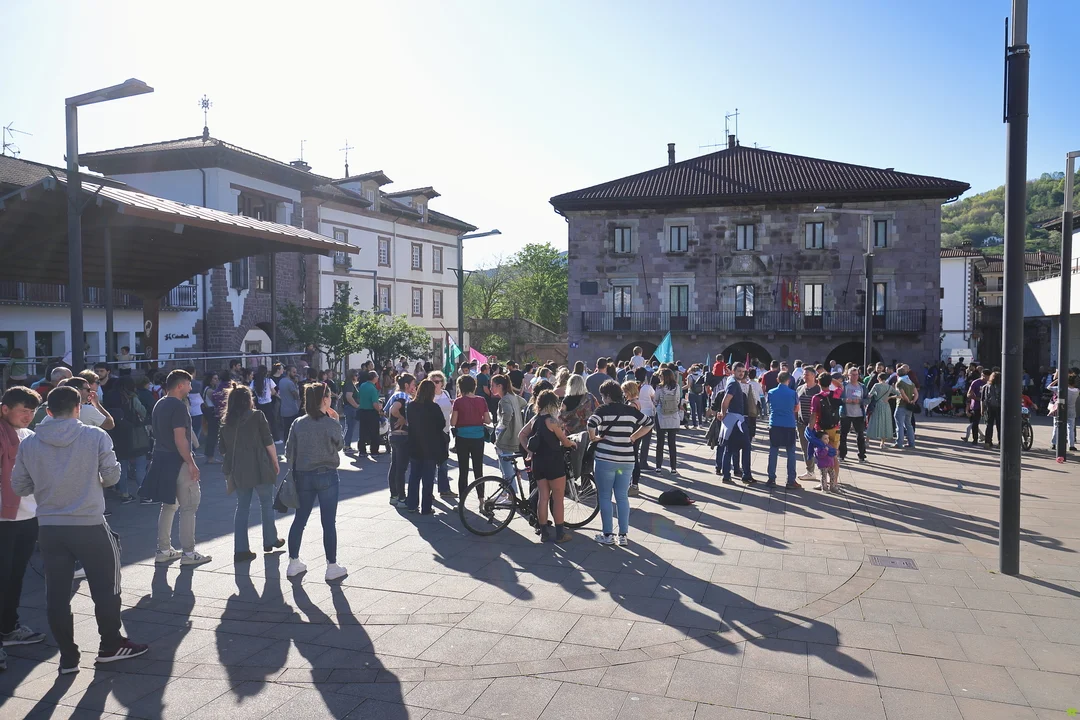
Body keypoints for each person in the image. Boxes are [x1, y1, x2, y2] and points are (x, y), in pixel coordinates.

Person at [11, 386, 148, 673]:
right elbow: (112, 477)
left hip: (49, 527)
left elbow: (20, 486)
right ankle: (110, 644)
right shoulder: (95, 436)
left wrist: (47, 484)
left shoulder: (30, 443)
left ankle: (68, 657)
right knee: (106, 587)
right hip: (89, 523)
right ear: (77, 408)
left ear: (48, 411)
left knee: (56, 594)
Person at [141, 370, 211, 567]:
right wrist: (191, 463)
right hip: (178, 461)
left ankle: (163, 550)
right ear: (180, 385)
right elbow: (180, 438)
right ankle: (189, 553)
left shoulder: (160, 403)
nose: (191, 387)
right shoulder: (178, 406)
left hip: (161, 459)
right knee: (189, 506)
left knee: (169, 505)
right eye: (188, 384)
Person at [0, 386, 46, 670]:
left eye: (32, 411)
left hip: (28, 515)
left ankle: (8, 627)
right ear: (5, 409)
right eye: (23, 411)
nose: (28, 416)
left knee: (15, 576)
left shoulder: (29, 436)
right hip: (3, 519)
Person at [285, 382, 345, 581]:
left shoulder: (298, 423)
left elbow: (289, 450)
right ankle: (332, 565)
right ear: (324, 400)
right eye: (329, 396)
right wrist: (336, 421)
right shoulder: (330, 423)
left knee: (299, 520)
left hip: (303, 475)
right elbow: (340, 445)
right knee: (328, 522)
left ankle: (293, 562)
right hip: (327, 474)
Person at [219, 384, 283, 563]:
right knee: (266, 503)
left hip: (239, 469)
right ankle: (270, 540)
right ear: (248, 400)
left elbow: (222, 449)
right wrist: (275, 462)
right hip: (260, 466)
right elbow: (268, 441)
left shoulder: (226, 422)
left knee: (242, 507)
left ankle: (240, 550)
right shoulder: (257, 416)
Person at [589, 380, 652, 546]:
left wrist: (593, 438)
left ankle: (608, 534)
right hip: (626, 460)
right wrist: (634, 437)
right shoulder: (630, 410)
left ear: (608, 396)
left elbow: (591, 423)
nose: (602, 399)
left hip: (605, 459)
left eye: (603, 396)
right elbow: (649, 423)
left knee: (605, 496)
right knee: (622, 496)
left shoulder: (602, 410)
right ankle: (623, 535)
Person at [524, 390, 576, 543]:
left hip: (538, 462)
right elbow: (564, 440)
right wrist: (572, 444)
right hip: (553, 462)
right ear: (551, 404)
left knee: (543, 498)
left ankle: (544, 533)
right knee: (558, 499)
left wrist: (529, 451)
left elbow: (521, 434)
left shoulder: (534, 419)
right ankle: (560, 534)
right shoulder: (552, 421)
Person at [103, 376, 152, 503]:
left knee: (122, 466)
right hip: (134, 433)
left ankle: (124, 493)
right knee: (140, 465)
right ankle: (144, 494)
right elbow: (142, 412)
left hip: (116, 434)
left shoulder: (108, 397)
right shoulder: (132, 397)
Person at [405, 379, 448, 515]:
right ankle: (426, 507)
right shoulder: (434, 407)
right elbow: (442, 424)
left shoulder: (411, 405)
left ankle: (412, 505)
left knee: (414, 476)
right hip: (431, 446)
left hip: (415, 444)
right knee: (428, 479)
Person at [451, 375, 490, 499]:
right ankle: (481, 500)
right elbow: (488, 420)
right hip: (478, 437)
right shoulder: (481, 400)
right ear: (474, 386)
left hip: (462, 438)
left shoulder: (458, 401)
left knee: (463, 470)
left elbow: (453, 422)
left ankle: (462, 500)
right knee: (478, 470)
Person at [718, 363, 754, 485]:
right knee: (746, 447)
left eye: (743, 371)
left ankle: (726, 475)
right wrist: (723, 413)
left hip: (732, 419)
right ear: (733, 371)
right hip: (736, 420)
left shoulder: (731, 381)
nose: (741, 373)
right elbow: (726, 400)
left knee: (729, 448)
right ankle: (746, 475)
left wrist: (724, 414)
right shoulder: (733, 383)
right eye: (739, 371)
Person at [766, 371, 802, 489]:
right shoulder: (793, 393)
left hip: (775, 423)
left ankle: (771, 478)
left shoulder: (771, 392)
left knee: (773, 451)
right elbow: (796, 409)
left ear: (777, 379)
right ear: (789, 380)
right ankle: (791, 480)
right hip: (789, 424)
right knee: (791, 452)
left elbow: (769, 405)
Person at [385, 373, 416, 508]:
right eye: (413, 385)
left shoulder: (396, 395)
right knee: (400, 469)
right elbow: (394, 409)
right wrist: (402, 418)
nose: (415, 387)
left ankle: (394, 495)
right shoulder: (402, 396)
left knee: (395, 466)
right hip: (402, 436)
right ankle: (402, 498)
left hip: (394, 435)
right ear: (406, 385)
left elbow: (387, 410)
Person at [810, 373, 843, 492]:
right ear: (830, 382)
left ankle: (823, 482)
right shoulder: (836, 394)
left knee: (822, 455)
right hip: (835, 429)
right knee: (833, 455)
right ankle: (834, 482)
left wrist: (810, 429)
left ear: (818, 382)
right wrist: (830, 378)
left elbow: (814, 415)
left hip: (822, 430)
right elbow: (840, 386)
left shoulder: (816, 397)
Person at [493, 375, 527, 491]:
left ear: (499, 386)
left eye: (493, 386)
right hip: (515, 435)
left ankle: (511, 493)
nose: (491, 388)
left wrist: (501, 426)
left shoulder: (505, 399)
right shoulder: (513, 397)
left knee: (506, 468)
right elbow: (524, 403)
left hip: (506, 437)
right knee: (504, 466)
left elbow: (508, 413)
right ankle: (506, 492)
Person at [429, 371, 456, 499]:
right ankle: (428, 491)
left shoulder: (445, 393)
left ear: (442, 383)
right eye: (433, 381)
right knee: (430, 463)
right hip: (432, 433)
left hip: (445, 431)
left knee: (443, 462)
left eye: (437, 381)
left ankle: (444, 489)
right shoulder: (428, 396)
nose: (435, 384)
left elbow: (449, 411)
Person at [654, 368, 682, 476]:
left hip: (662, 416)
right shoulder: (677, 387)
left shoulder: (659, 387)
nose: (659, 377)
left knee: (660, 443)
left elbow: (655, 401)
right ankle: (673, 468)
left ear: (664, 377)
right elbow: (678, 400)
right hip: (673, 416)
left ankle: (658, 467)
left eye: (660, 375)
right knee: (672, 443)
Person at [795, 368, 819, 482]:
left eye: (807, 374)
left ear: (814, 375)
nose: (804, 376)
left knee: (819, 449)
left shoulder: (818, 389)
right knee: (805, 448)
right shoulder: (800, 388)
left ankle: (825, 473)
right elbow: (796, 405)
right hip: (801, 423)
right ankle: (810, 471)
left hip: (815, 424)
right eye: (804, 374)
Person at [839, 367, 867, 462]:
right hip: (845, 414)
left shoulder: (862, 386)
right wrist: (845, 400)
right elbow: (837, 398)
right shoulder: (844, 385)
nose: (855, 377)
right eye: (853, 375)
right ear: (848, 375)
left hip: (858, 414)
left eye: (856, 375)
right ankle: (842, 455)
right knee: (843, 435)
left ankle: (861, 455)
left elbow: (868, 399)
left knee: (860, 435)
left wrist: (860, 401)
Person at [866, 372, 899, 449]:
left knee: (873, 422)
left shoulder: (876, 385)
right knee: (885, 423)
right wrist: (890, 397)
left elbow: (870, 395)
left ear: (878, 378)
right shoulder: (889, 387)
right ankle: (882, 443)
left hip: (877, 405)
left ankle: (867, 441)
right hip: (886, 405)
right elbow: (899, 394)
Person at [355, 370, 383, 457]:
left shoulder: (363, 385)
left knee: (363, 432)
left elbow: (359, 397)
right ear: (374, 378)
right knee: (374, 432)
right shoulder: (373, 388)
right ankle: (374, 451)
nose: (378, 378)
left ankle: (362, 450)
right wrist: (379, 410)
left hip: (362, 410)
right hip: (371, 412)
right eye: (377, 376)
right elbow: (374, 403)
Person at [893, 365, 919, 450]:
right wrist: (913, 401)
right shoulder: (910, 382)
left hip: (901, 405)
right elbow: (916, 394)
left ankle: (899, 443)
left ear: (897, 374)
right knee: (909, 425)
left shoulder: (899, 382)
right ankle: (911, 443)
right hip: (909, 407)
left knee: (899, 425)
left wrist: (907, 400)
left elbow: (902, 394)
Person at [200, 372, 223, 464]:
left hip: (210, 412)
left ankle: (210, 456)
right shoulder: (210, 391)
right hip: (212, 413)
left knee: (212, 435)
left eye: (217, 378)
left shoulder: (207, 389)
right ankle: (210, 457)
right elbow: (217, 400)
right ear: (210, 380)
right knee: (212, 435)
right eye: (214, 379)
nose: (217, 381)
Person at [963, 369, 989, 444]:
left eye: (987, 377)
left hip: (988, 405)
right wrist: (978, 399)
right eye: (983, 376)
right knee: (975, 423)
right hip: (976, 405)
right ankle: (975, 439)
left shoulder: (990, 382)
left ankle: (988, 440)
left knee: (989, 424)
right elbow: (968, 394)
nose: (985, 378)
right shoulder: (976, 382)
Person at [250, 366, 276, 437]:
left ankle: (261, 436)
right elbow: (274, 392)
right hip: (268, 404)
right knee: (271, 421)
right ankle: (273, 436)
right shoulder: (269, 380)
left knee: (260, 421)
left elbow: (250, 390)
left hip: (259, 404)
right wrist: (269, 394)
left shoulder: (254, 382)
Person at [278, 366, 301, 445]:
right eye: (293, 372)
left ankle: (286, 446)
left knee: (286, 430)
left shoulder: (281, 381)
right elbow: (296, 396)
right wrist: (296, 384)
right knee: (293, 430)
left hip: (284, 409)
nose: (295, 374)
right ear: (288, 372)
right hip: (292, 410)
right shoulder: (290, 383)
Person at [980, 371, 1003, 449]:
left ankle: (988, 442)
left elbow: (982, 399)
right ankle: (1000, 442)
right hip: (1000, 407)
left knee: (989, 425)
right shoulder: (1003, 386)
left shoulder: (986, 386)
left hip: (989, 407)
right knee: (1000, 425)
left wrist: (982, 409)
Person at [341, 370, 360, 455]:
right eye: (356, 375)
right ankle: (347, 446)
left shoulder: (348, 384)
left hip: (349, 408)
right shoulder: (349, 384)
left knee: (348, 427)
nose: (357, 376)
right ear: (352, 376)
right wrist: (356, 406)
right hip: (351, 408)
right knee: (350, 427)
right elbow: (349, 397)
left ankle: (346, 445)